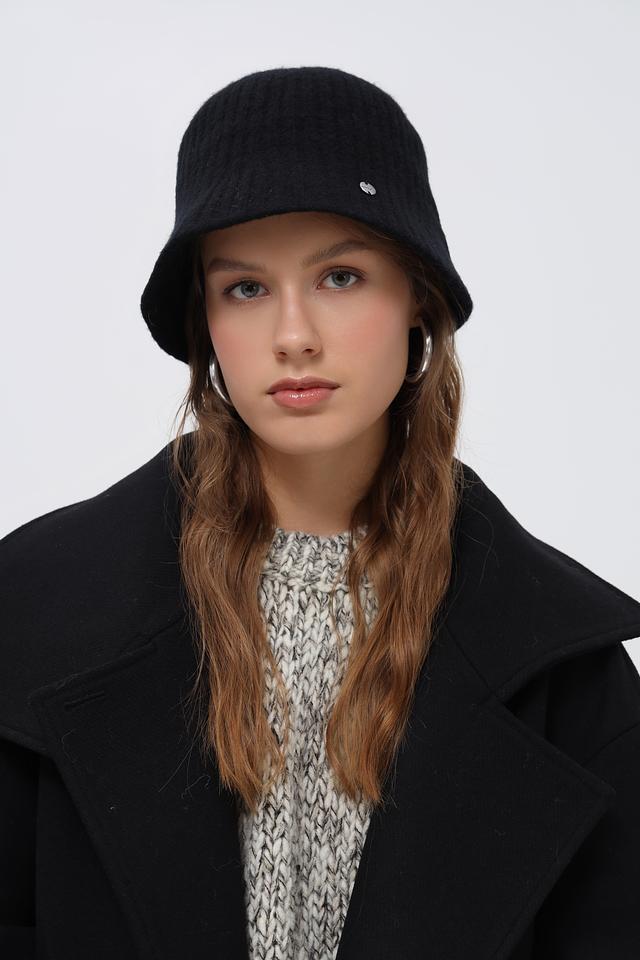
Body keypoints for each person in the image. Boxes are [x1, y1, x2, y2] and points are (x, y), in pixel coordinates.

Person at [1, 65, 639, 960]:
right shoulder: (34, 617)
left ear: (417, 297)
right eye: (245, 288)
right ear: (204, 319)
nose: (293, 335)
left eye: (341, 276)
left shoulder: (564, 673)